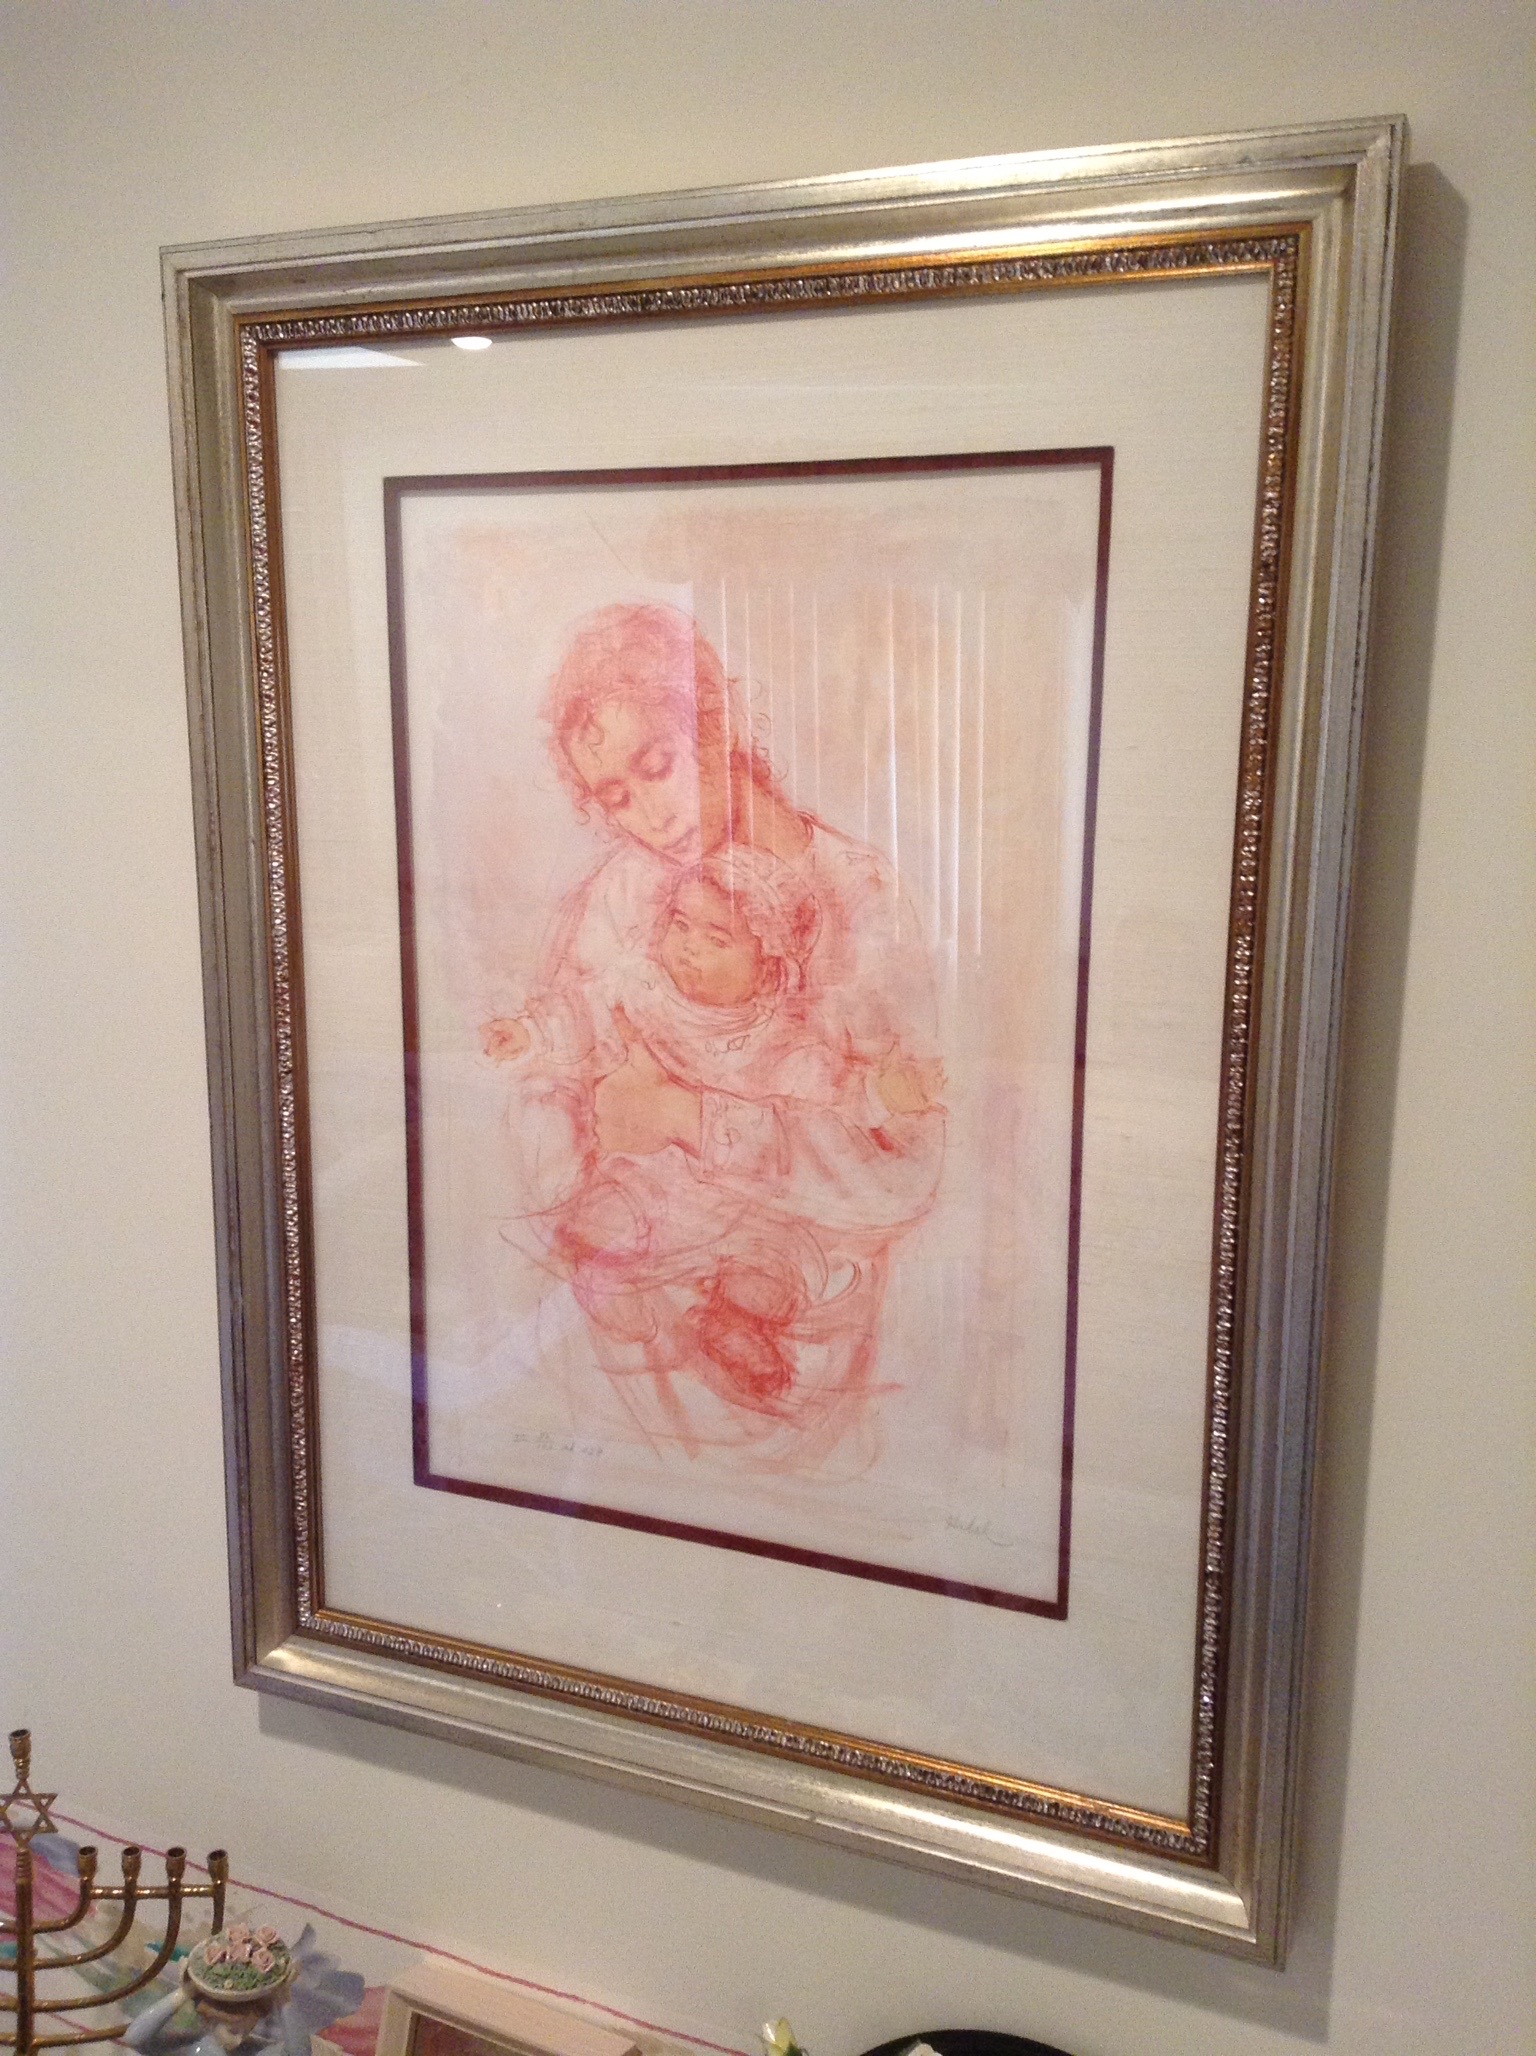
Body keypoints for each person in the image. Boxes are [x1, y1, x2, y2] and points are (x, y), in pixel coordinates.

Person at [483, 601, 944, 1458]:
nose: (648, 816)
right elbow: (553, 1083)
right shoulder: (621, 894)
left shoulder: (859, 900)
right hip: (628, 1330)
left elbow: (898, 1172)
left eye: (657, 766)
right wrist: (587, 1182)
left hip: (801, 1337)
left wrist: (686, 1117)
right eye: (615, 797)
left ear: (715, 724)